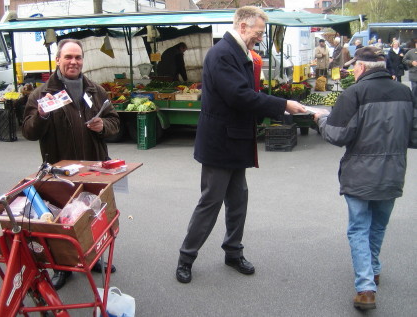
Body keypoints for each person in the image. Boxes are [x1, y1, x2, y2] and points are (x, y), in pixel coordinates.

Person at [175, 6, 306, 284]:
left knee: (238, 201)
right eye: (257, 33)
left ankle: (233, 252)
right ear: (243, 27)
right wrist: (282, 105)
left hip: (236, 138)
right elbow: (239, 95)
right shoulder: (222, 54)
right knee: (210, 202)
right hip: (220, 142)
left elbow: (245, 95)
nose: (259, 38)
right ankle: (186, 257)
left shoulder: (240, 52)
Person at [314, 46, 417, 310]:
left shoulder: (355, 93)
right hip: (393, 172)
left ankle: (366, 287)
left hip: (360, 174)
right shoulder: (404, 92)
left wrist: (320, 119)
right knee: (378, 226)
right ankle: (373, 268)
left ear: (360, 68)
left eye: (353, 67)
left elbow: (337, 135)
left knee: (359, 229)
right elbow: (413, 135)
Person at [22, 39, 120, 290]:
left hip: (93, 168)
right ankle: (61, 268)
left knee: (93, 217)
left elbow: (114, 122)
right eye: (68, 57)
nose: (73, 62)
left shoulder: (96, 90)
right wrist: (42, 115)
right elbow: (29, 132)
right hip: (60, 171)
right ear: (58, 60)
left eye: (77, 57)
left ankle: (94, 257)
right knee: (62, 220)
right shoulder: (41, 94)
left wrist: (103, 126)